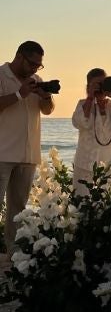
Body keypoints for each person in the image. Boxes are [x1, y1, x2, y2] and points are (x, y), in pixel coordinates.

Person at [0, 41, 55, 256]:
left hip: (28, 154)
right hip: (2, 153)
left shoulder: (37, 81)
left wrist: (46, 96)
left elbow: (48, 111)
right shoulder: (1, 75)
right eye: (32, 64)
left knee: (18, 210)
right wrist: (19, 94)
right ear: (19, 57)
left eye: (39, 66)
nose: (35, 69)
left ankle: (13, 255)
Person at [71, 69, 111, 195]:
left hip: (109, 167)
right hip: (85, 166)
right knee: (82, 205)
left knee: (107, 207)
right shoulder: (83, 104)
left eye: (103, 84)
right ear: (88, 87)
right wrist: (90, 97)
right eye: (96, 84)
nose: (100, 88)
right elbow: (80, 123)